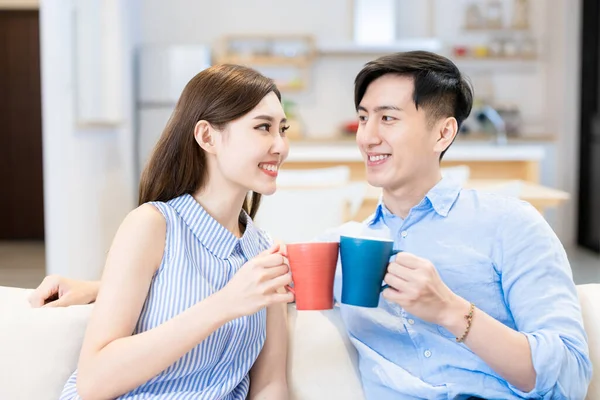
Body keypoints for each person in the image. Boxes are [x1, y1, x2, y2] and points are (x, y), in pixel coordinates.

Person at [31, 51, 591, 400]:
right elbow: (222, 282)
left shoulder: (510, 224)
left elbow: (568, 378)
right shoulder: (336, 250)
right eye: (364, 118)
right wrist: (109, 289)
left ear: (443, 134)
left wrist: (454, 313)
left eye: (388, 119)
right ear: (207, 136)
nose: (368, 135)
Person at [46, 64, 295, 400]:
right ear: (207, 136)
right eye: (263, 128)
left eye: (283, 129)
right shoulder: (152, 226)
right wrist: (225, 304)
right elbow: (93, 383)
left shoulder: (263, 254)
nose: (280, 146)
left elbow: (270, 384)